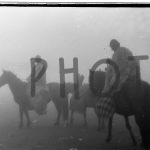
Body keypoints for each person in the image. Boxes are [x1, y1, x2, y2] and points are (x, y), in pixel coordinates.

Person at [102, 39, 142, 114]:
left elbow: (118, 66)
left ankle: (110, 105)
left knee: (109, 87)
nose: (111, 48)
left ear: (115, 45)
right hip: (131, 74)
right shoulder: (125, 50)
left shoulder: (118, 52)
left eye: (112, 46)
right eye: (111, 47)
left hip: (122, 75)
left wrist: (109, 71)